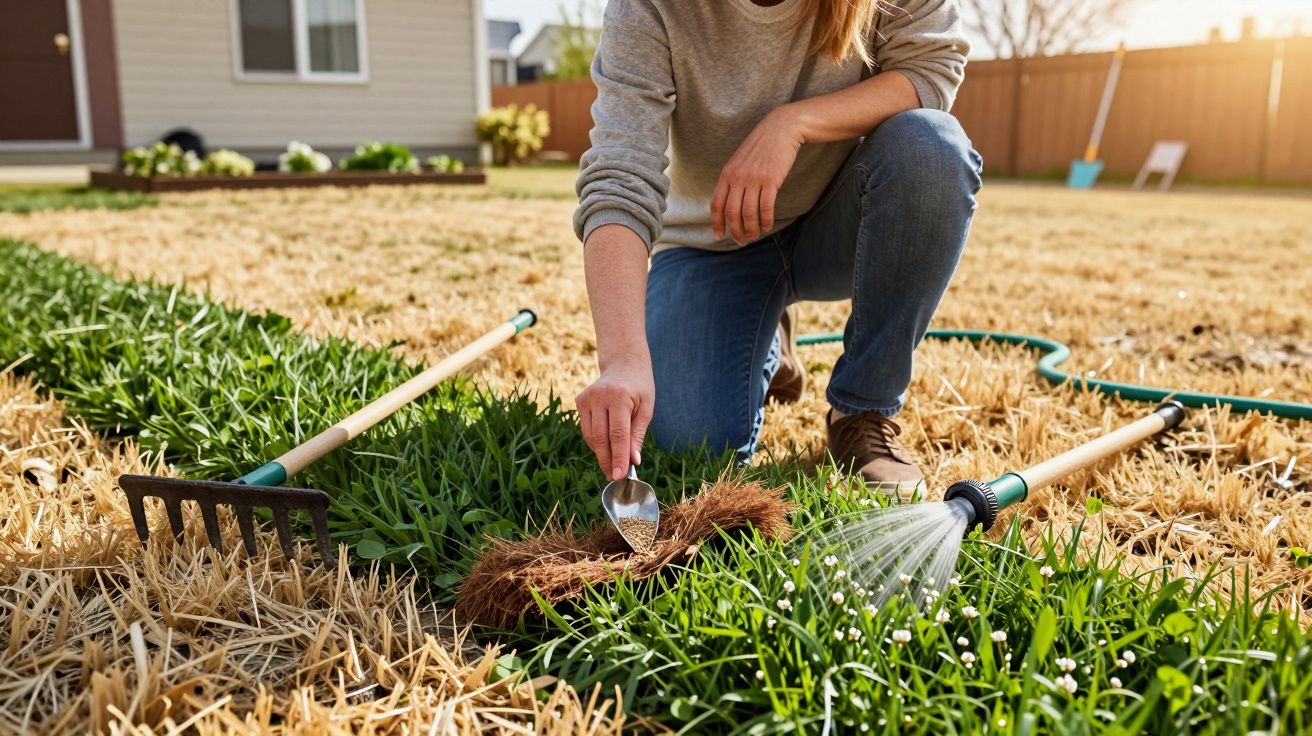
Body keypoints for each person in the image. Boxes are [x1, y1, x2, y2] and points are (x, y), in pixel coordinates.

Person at [574, 0, 981, 493]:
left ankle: (863, 410)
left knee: (931, 147)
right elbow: (621, 173)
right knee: (691, 441)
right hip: (714, 244)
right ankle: (769, 338)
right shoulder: (648, 7)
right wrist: (622, 359)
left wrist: (793, 123)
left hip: (839, 223)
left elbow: (930, 73)